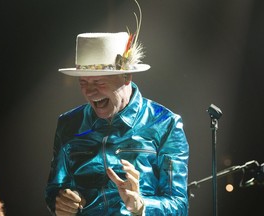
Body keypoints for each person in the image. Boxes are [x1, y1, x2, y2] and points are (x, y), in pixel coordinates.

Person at [45, 1, 189, 215]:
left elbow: (179, 205)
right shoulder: (68, 124)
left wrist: (141, 206)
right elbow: (54, 190)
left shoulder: (165, 124)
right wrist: (60, 201)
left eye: (99, 82)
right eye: (83, 82)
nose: (90, 91)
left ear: (126, 76)